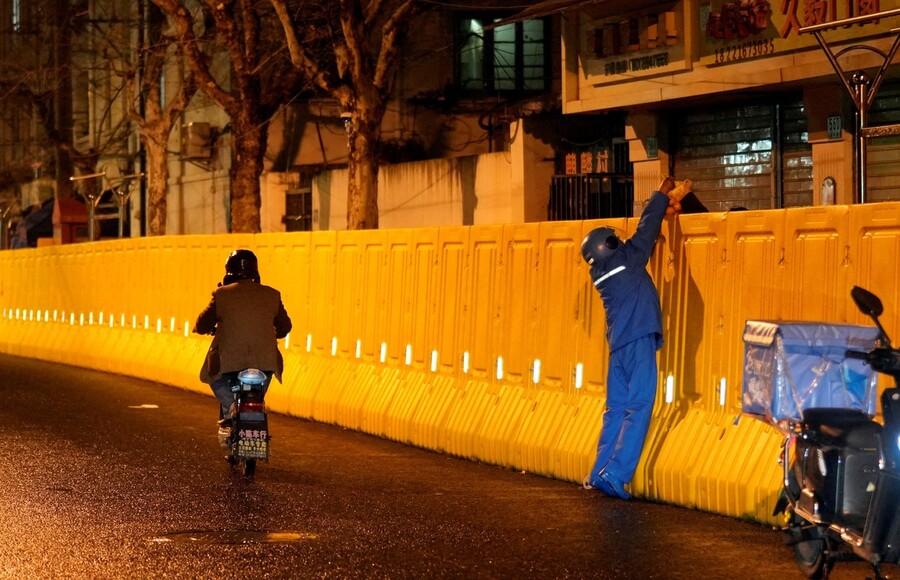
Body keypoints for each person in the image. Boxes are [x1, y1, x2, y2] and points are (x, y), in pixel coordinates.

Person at [580, 176, 676, 499]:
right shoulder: (626, 261)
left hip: (618, 347)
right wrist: (661, 196)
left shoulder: (601, 274)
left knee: (616, 409)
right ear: (609, 245)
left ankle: (599, 471)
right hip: (637, 343)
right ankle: (617, 473)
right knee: (640, 405)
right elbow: (646, 231)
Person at [194, 249, 292, 425]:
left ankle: (232, 406)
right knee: (259, 391)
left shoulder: (222, 294)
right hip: (265, 363)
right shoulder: (272, 294)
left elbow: (202, 325)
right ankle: (252, 411)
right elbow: (285, 328)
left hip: (229, 362)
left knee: (213, 377)